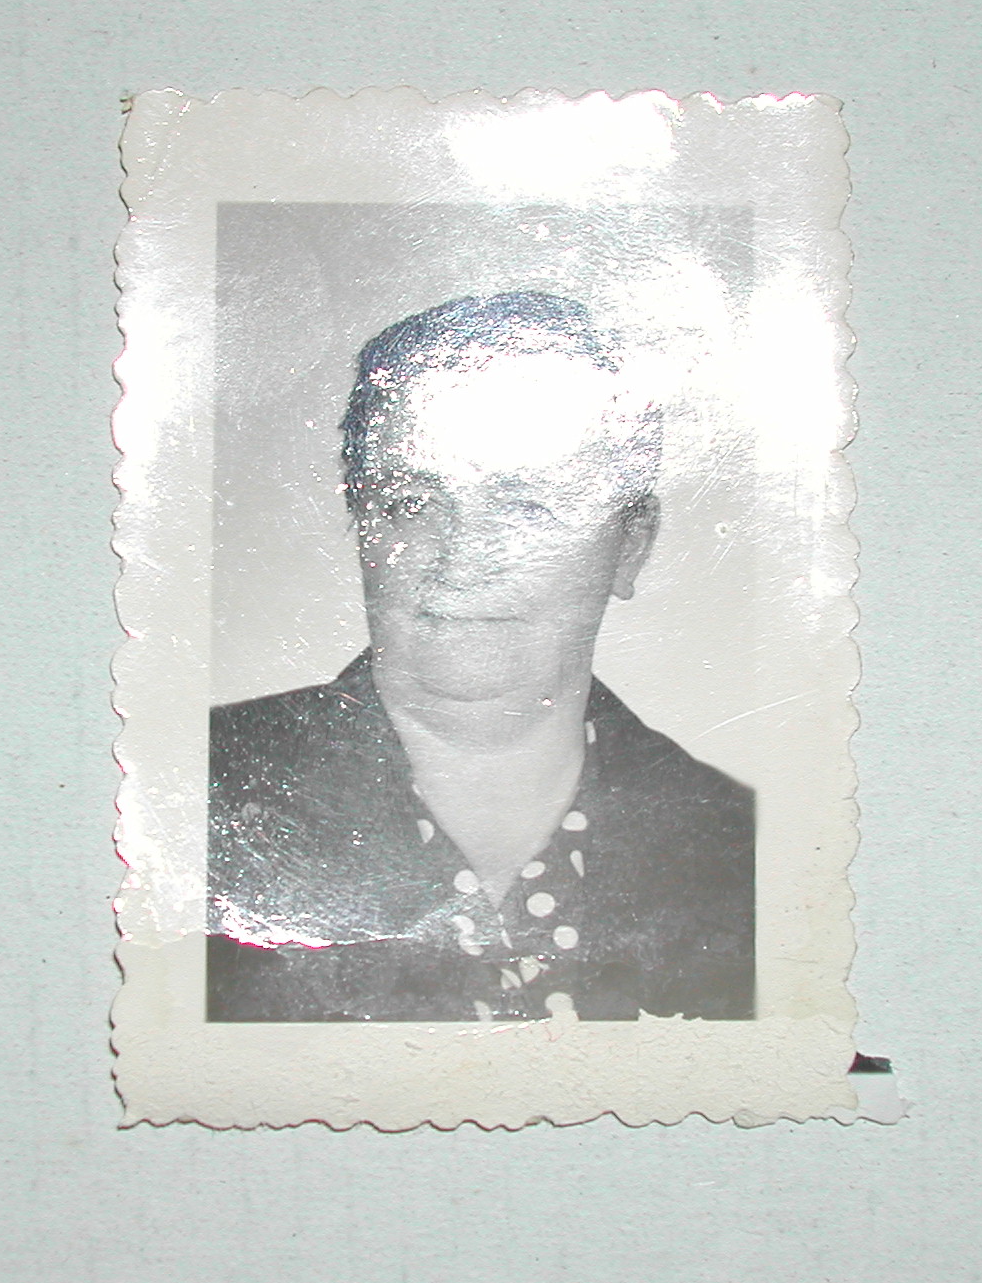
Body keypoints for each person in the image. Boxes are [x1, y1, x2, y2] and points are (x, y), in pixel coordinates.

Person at [207, 291, 754, 1022]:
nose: (461, 561)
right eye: (411, 503)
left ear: (629, 546)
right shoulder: (192, 787)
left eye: (528, 508)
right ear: (361, 523)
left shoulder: (747, 851)